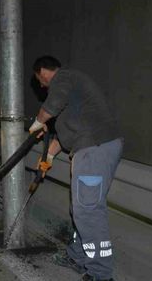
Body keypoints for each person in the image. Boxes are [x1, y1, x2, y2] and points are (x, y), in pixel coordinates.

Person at [28, 55, 123, 281]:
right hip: (93, 147)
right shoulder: (75, 96)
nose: (41, 86)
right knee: (81, 208)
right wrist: (48, 158)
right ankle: (77, 256)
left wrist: (38, 122)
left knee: (88, 211)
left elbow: (51, 106)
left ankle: (100, 274)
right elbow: (63, 137)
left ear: (43, 72)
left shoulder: (64, 78)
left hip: (93, 148)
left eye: (39, 81)